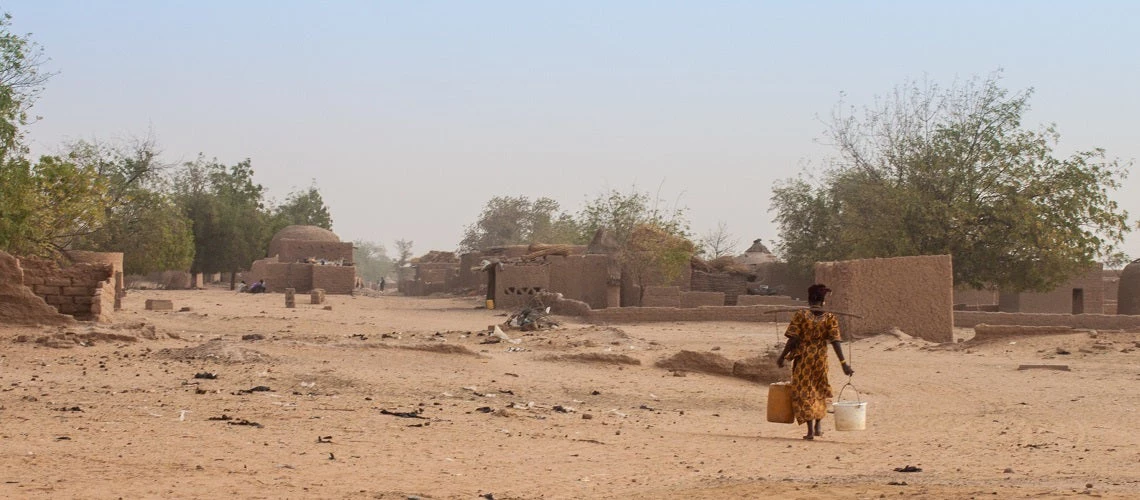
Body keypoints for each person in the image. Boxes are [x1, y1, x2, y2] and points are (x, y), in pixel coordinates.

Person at [776, 283, 855, 440]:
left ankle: (811, 430)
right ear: (823, 301)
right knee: (819, 389)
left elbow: (793, 338)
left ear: (809, 299)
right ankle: (819, 426)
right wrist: (843, 363)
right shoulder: (830, 318)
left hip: (804, 359)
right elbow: (835, 341)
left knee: (804, 392)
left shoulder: (801, 315)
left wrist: (782, 356)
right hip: (820, 359)